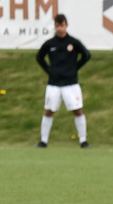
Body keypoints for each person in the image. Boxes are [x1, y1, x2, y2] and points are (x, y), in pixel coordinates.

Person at [35, 14, 91, 148]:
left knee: (77, 110)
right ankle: (44, 140)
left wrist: (74, 69)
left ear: (66, 25)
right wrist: (49, 70)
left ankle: (83, 140)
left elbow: (87, 55)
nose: (60, 28)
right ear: (55, 26)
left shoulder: (73, 42)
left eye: (62, 25)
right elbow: (39, 57)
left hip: (71, 83)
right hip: (54, 84)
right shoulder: (50, 44)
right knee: (49, 110)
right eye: (57, 26)